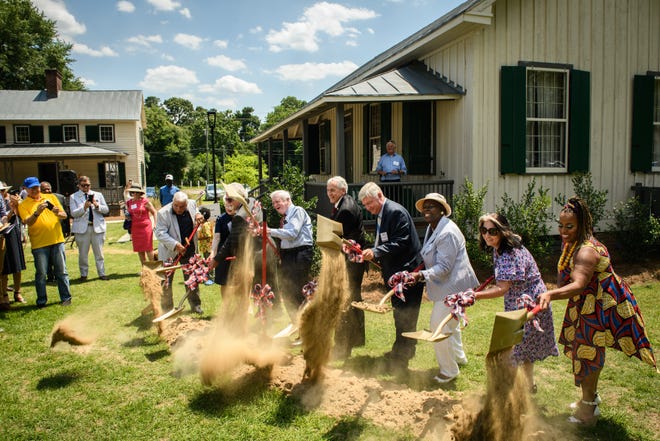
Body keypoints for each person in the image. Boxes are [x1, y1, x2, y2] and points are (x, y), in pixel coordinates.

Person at [538, 197, 657, 425]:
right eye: (560, 225)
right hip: (587, 303)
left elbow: (579, 284)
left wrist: (549, 294)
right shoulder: (573, 244)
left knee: (588, 351)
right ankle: (588, 399)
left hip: (600, 305)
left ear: (583, 225)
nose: (563, 230)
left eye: (569, 226)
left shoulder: (586, 251)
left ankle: (588, 412)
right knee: (582, 349)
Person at [474, 213, 559, 391]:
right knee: (522, 353)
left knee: (512, 354)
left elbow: (502, 288)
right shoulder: (500, 248)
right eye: (483, 230)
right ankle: (527, 389)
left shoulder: (508, 253)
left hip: (529, 305)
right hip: (519, 304)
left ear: (503, 231)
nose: (487, 235)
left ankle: (509, 397)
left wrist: (475, 296)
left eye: (492, 231)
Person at [408, 193, 479, 383]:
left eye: (432, 206)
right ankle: (459, 357)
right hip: (450, 286)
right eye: (425, 206)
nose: (427, 210)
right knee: (451, 324)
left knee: (437, 326)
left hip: (454, 287)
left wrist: (420, 276)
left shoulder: (447, 232)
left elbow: (444, 268)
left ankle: (449, 370)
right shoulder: (434, 227)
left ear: (442, 210)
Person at [359, 182, 423, 371]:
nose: (368, 208)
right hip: (394, 272)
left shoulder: (395, 212)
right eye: (365, 205)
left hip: (407, 274)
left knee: (406, 316)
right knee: (400, 314)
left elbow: (401, 242)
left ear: (379, 195)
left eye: (370, 203)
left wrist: (376, 251)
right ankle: (401, 350)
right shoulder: (382, 214)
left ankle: (402, 358)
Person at [13, 176, 72, 308]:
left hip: (57, 240)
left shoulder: (51, 198)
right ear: (26, 189)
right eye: (32, 188)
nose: (36, 190)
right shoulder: (23, 205)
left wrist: (57, 212)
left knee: (61, 271)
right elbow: (27, 222)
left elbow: (64, 215)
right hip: (39, 244)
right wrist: (37, 213)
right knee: (41, 274)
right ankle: (41, 301)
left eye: (37, 187)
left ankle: (66, 298)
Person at [326, 176, 367, 359]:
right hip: (353, 261)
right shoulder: (345, 203)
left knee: (346, 301)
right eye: (328, 190)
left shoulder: (346, 210)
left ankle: (343, 346)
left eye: (333, 190)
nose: (329, 193)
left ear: (343, 190)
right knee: (353, 300)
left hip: (350, 263)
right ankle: (355, 340)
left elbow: (338, 237)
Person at [265, 189, 313, 324]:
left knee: (298, 290)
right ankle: (296, 324)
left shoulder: (297, 211)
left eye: (277, 201)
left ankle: (305, 326)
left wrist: (269, 231)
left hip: (299, 254)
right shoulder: (285, 217)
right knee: (287, 290)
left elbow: (292, 233)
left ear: (287, 200)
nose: (275, 205)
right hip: (289, 255)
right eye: (273, 203)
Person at [155, 191, 204, 314]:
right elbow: (160, 233)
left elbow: (196, 210)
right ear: (173, 202)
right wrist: (176, 245)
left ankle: (195, 305)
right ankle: (167, 308)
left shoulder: (192, 204)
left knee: (191, 279)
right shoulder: (163, 213)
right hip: (169, 252)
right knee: (166, 280)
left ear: (186, 204)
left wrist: (198, 214)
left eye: (182, 206)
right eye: (176, 205)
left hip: (189, 249)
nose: (178, 209)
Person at [70, 176, 109, 281]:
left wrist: (97, 206)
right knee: (83, 253)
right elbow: (73, 213)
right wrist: (84, 207)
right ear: (79, 185)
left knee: (99, 253)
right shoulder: (73, 197)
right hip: (83, 228)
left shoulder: (98, 195)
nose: (86, 187)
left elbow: (106, 210)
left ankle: (102, 273)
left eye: (88, 185)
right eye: (83, 185)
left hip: (97, 227)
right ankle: (83, 274)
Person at [0, 182, 26, 308]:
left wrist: (15, 207)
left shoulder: (13, 200)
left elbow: (19, 217)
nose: (2, 192)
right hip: (2, 234)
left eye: (3, 190)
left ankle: (17, 292)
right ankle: (4, 294)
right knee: (3, 267)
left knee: (17, 265)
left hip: (12, 233)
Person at [125, 184, 157, 265]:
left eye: (136, 192)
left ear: (140, 193)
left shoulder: (145, 201)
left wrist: (155, 224)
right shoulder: (129, 202)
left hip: (145, 227)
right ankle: (145, 269)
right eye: (133, 192)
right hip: (135, 228)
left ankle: (153, 267)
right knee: (140, 250)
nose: (134, 194)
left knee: (148, 248)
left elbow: (154, 212)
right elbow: (129, 215)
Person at [197, 206, 213, 284]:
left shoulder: (205, 225)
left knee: (208, 262)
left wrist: (199, 238)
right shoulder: (204, 224)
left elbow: (208, 235)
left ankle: (211, 278)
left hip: (207, 247)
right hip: (205, 247)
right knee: (206, 262)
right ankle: (207, 277)